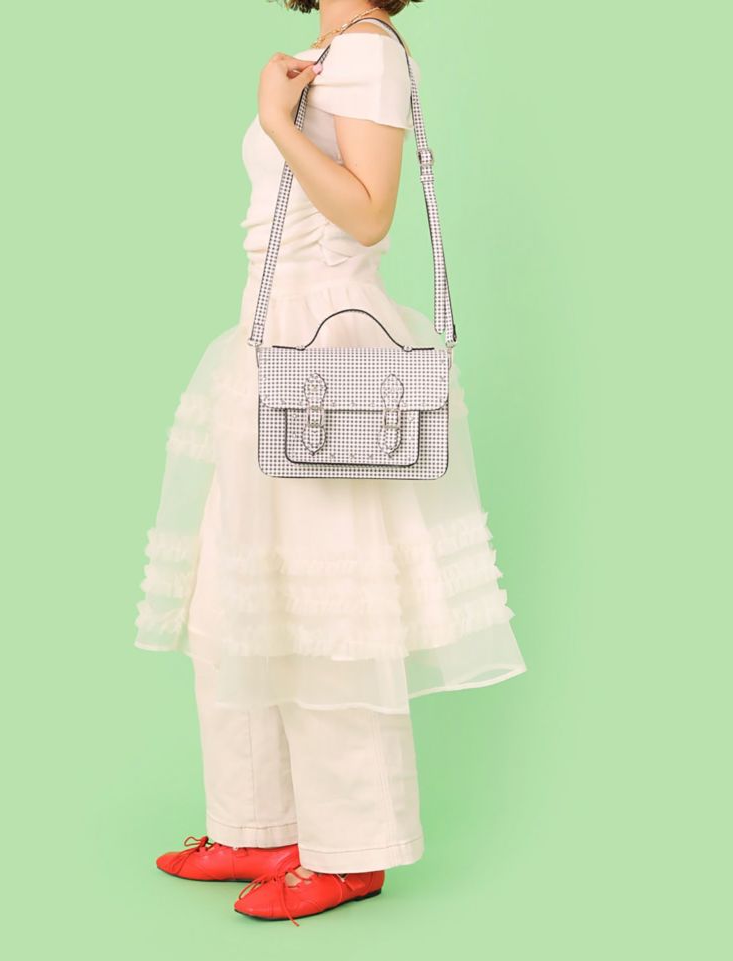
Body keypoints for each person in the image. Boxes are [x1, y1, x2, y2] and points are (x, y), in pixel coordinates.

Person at [134, 0, 527, 925]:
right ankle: (258, 823)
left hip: (325, 348)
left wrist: (278, 123)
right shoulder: (326, 53)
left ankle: (353, 849)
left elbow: (368, 212)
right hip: (268, 339)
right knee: (236, 595)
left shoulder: (369, 53)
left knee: (326, 604)